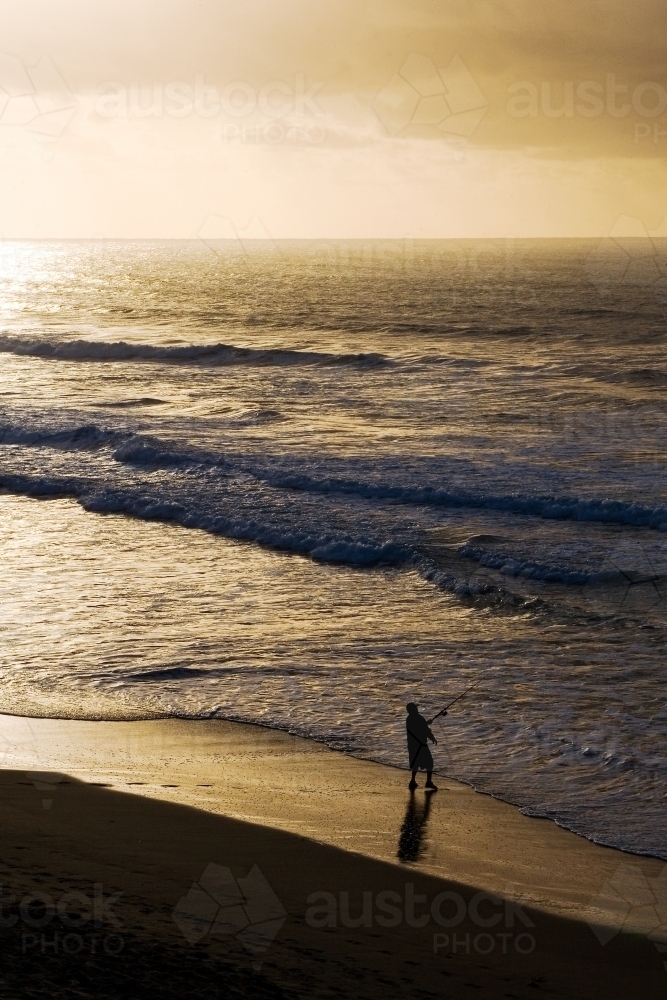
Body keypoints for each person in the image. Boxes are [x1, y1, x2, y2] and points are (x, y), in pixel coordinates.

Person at [405, 702, 443, 792]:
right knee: (429, 762)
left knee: (415, 763)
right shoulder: (419, 718)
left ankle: (413, 781)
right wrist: (432, 737)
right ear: (414, 709)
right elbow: (425, 730)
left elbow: (418, 727)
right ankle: (428, 782)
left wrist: (426, 723)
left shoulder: (409, 719)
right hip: (421, 745)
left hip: (412, 745)